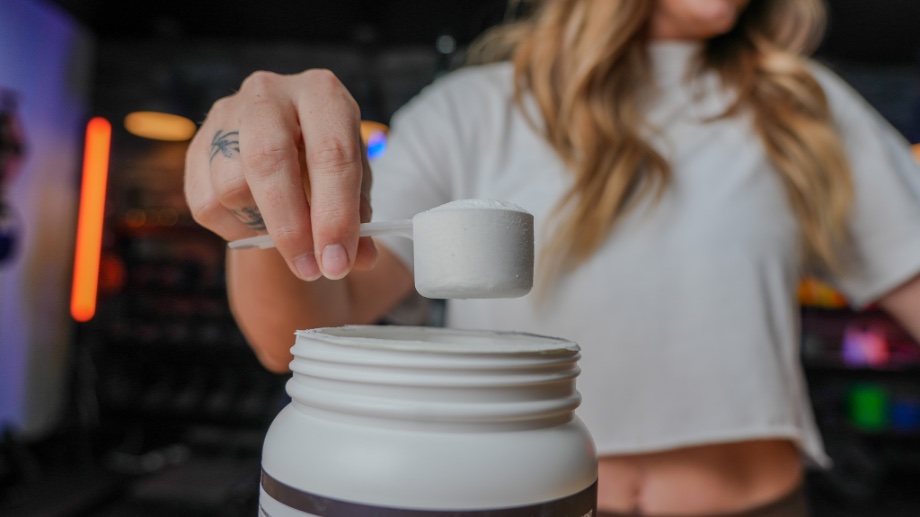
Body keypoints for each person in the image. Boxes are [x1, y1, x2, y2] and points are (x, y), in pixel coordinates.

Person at [184, 0, 920, 514]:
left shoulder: (802, 107)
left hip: (752, 506)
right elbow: (303, 327)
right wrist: (263, 200)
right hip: (507, 506)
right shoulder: (467, 110)